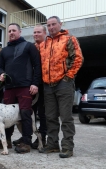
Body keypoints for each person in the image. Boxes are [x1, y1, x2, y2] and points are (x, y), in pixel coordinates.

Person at [39, 16, 83, 158]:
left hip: (63, 84)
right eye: (49, 25)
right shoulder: (43, 44)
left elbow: (78, 58)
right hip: (48, 85)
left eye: (53, 24)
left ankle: (67, 147)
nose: (51, 27)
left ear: (60, 24)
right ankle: (52, 144)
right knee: (50, 116)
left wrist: (68, 77)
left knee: (66, 117)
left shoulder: (69, 39)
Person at [0, 23, 41, 154]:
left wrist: (35, 83)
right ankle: (8, 140)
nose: (11, 32)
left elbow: (37, 66)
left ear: (20, 32)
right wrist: (1, 74)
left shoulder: (29, 46)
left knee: (25, 113)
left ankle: (26, 142)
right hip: (9, 88)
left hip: (25, 86)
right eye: (9, 30)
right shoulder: (4, 50)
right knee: (7, 115)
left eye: (14, 30)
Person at [12, 25, 48, 149]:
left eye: (38, 32)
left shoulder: (48, 46)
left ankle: (42, 138)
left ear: (44, 33)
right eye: (34, 32)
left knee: (42, 113)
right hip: (31, 85)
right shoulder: (31, 47)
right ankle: (26, 136)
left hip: (44, 84)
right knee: (27, 112)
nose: (36, 34)